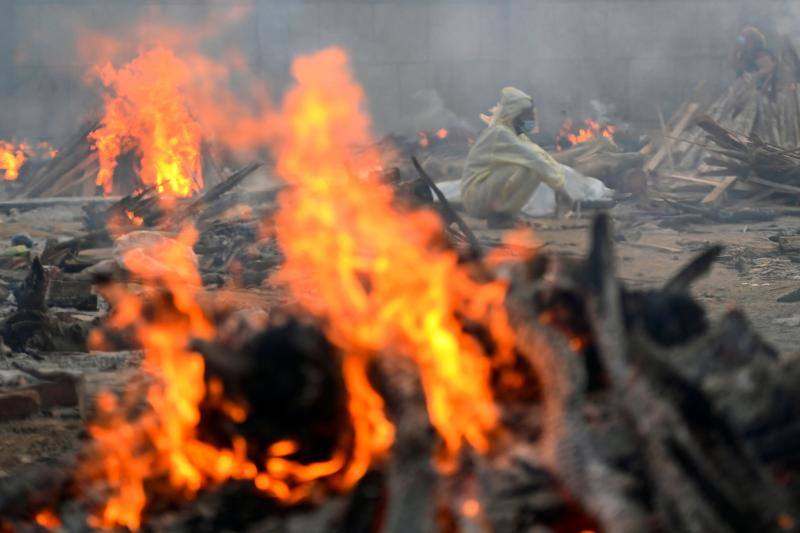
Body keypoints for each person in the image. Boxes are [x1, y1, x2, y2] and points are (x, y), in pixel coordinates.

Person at [461, 87, 572, 228]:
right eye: (527, 115)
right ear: (514, 114)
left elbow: (541, 156)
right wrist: (560, 189)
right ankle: (499, 217)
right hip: (475, 198)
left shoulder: (516, 135)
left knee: (533, 167)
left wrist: (558, 185)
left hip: (483, 194)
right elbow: (534, 159)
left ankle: (505, 216)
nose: (532, 119)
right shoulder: (499, 133)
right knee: (528, 167)